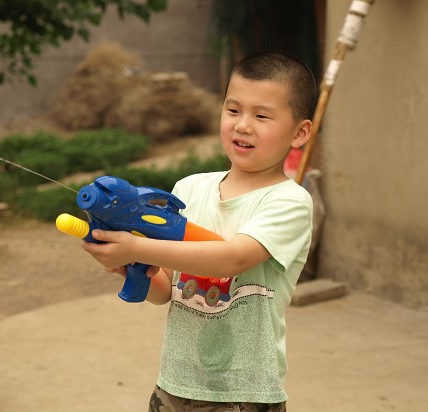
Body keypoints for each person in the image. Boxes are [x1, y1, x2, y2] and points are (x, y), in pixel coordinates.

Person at [82, 50, 317, 411]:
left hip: (244, 395)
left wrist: (137, 249)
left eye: (261, 116)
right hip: (174, 385)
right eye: (233, 110)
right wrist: (127, 266)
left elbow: (231, 259)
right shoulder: (189, 189)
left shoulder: (290, 201)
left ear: (299, 132)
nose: (242, 125)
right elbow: (165, 291)